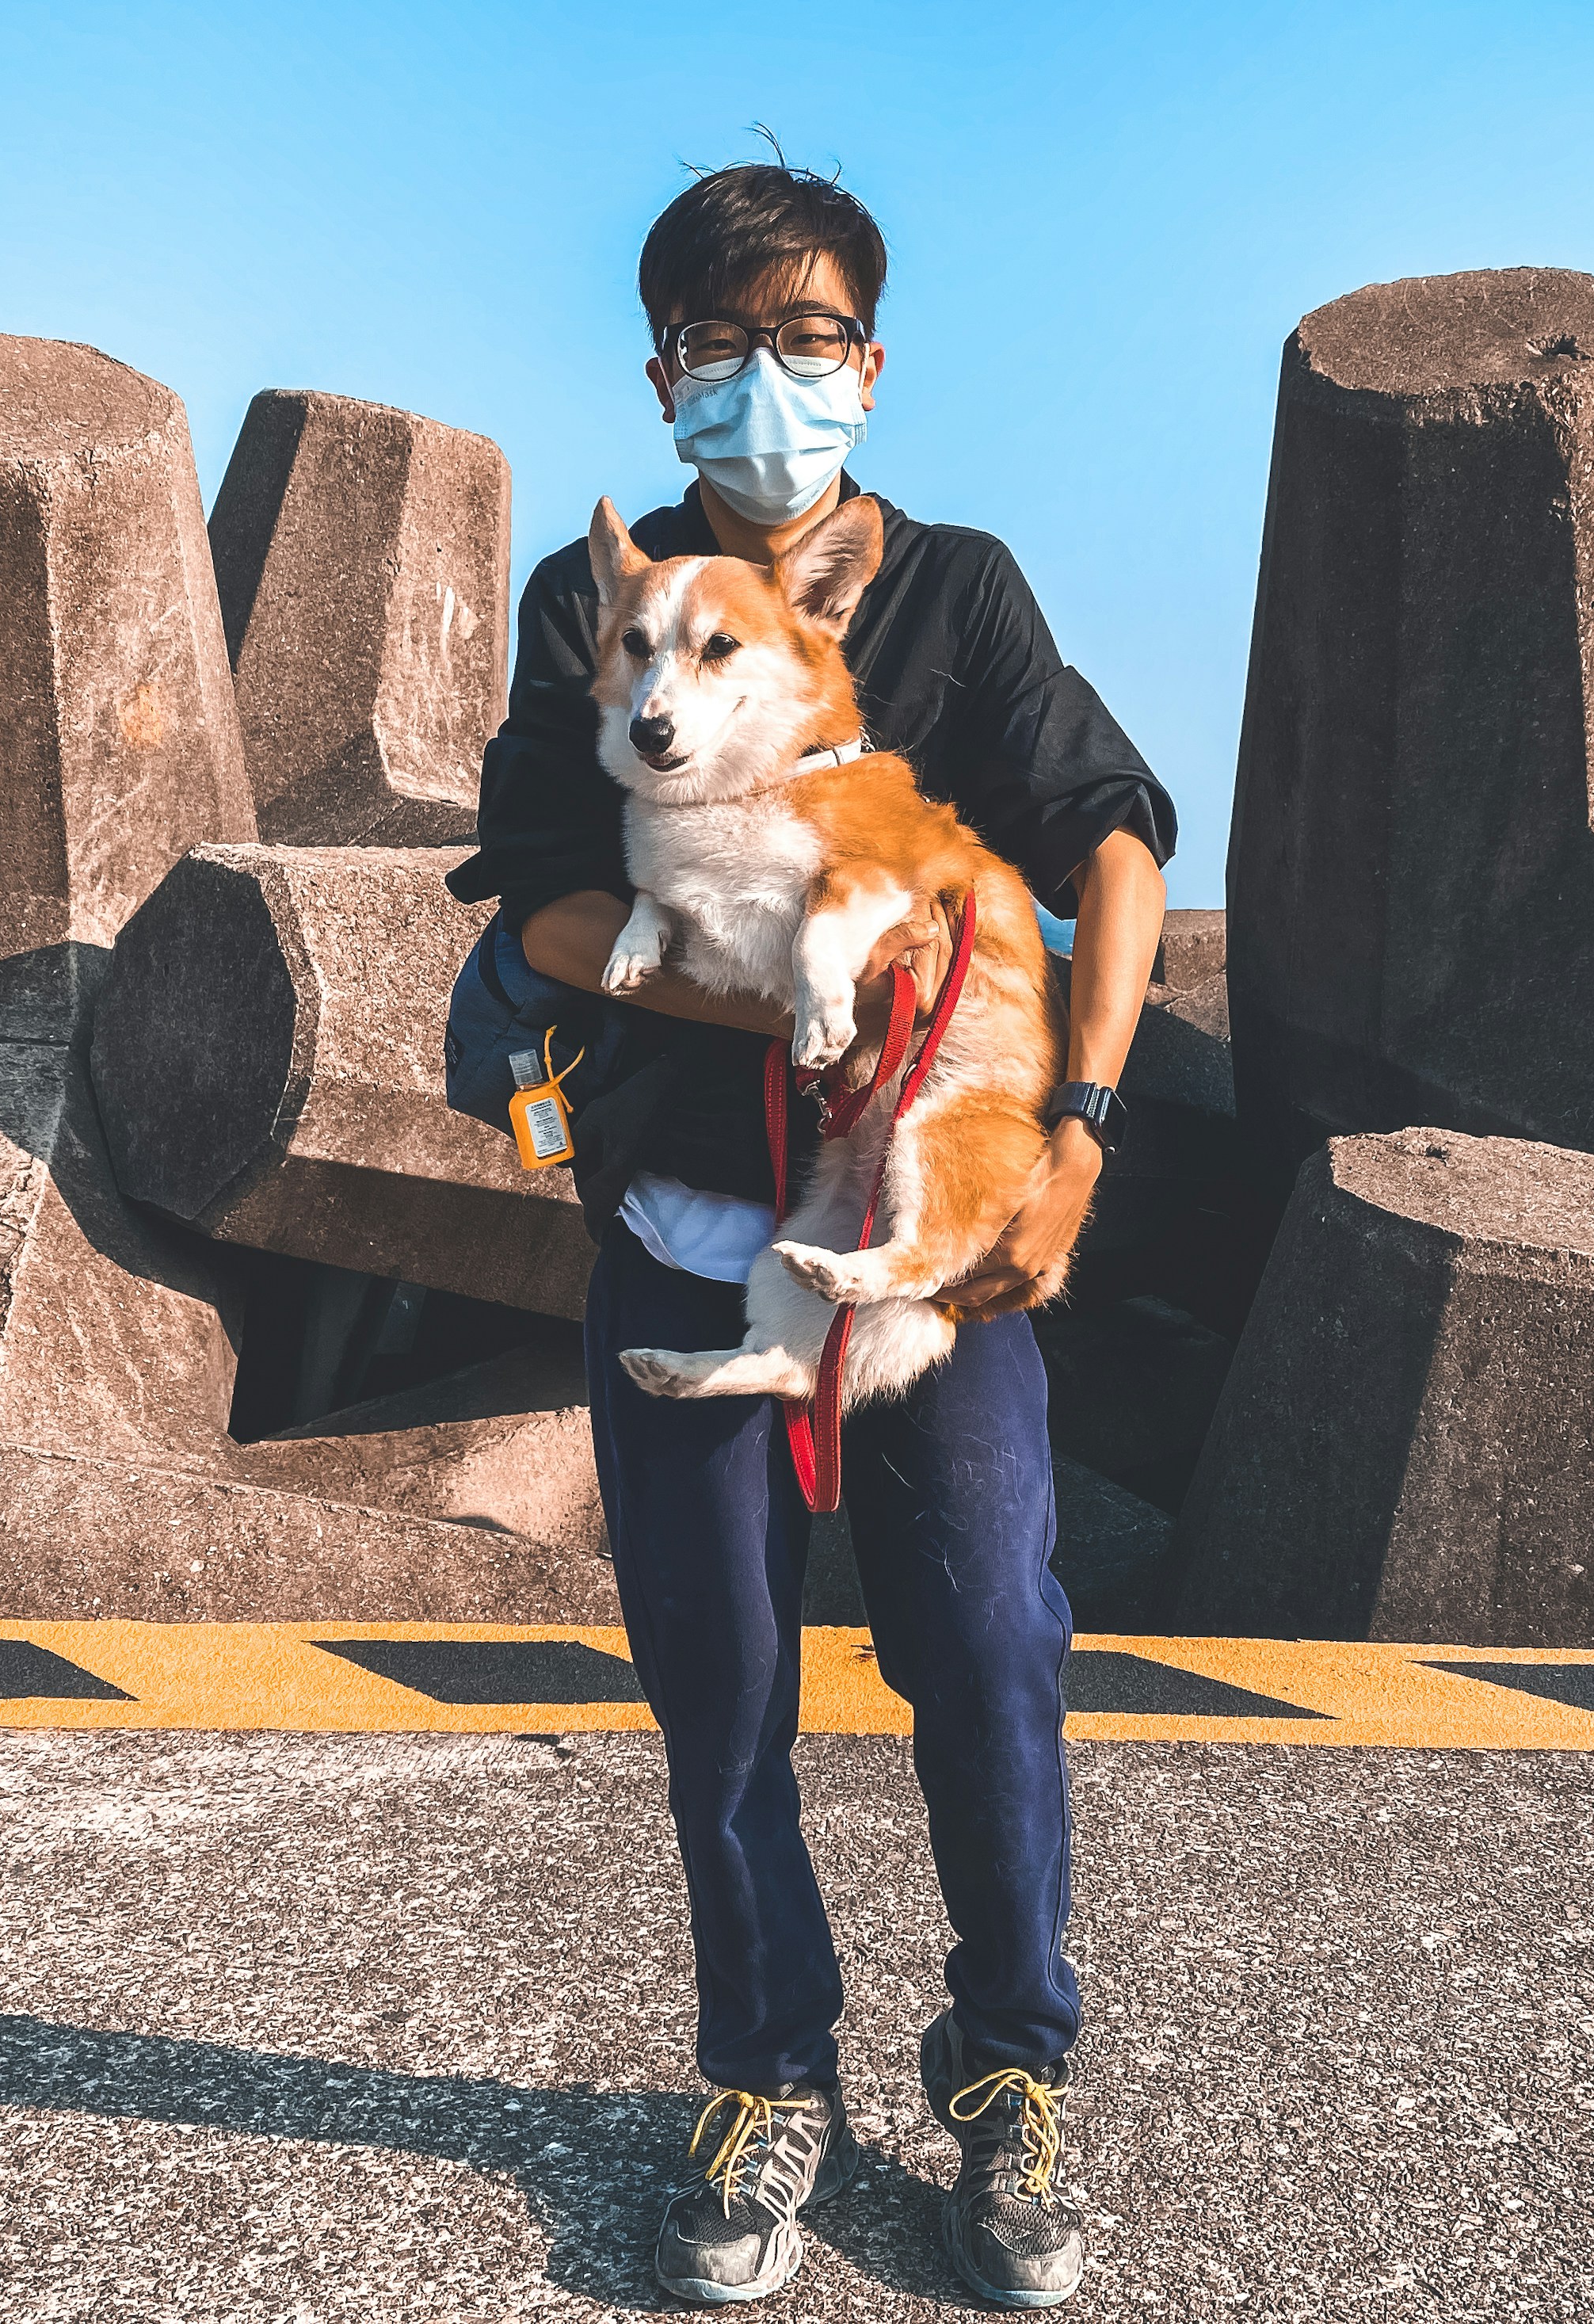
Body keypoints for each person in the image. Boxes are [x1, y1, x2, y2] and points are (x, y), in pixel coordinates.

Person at [446, 156, 1173, 2311]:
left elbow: (1113, 834)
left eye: (816, 338)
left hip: (933, 1244)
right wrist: (766, 977)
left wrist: (1087, 1133)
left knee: (992, 1650)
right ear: (664, 367)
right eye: (728, 342)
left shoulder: (951, 591)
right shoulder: (603, 607)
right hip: (685, 1227)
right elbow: (546, 900)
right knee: (723, 1685)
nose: (774, 380)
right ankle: (768, 2074)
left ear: (869, 360)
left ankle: (1012, 2066)